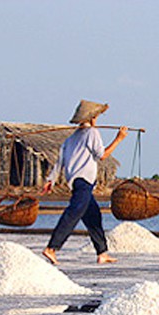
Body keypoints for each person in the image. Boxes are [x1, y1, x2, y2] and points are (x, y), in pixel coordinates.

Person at [40, 99, 128, 265]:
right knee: (74, 212)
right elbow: (102, 155)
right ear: (93, 117)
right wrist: (119, 139)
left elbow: (59, 163)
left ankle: (102, 253)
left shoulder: (71, 138)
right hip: (83, 181)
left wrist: (50, 180)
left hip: (77, 182)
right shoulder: (92, 133)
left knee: (93, 216)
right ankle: (52, 248)